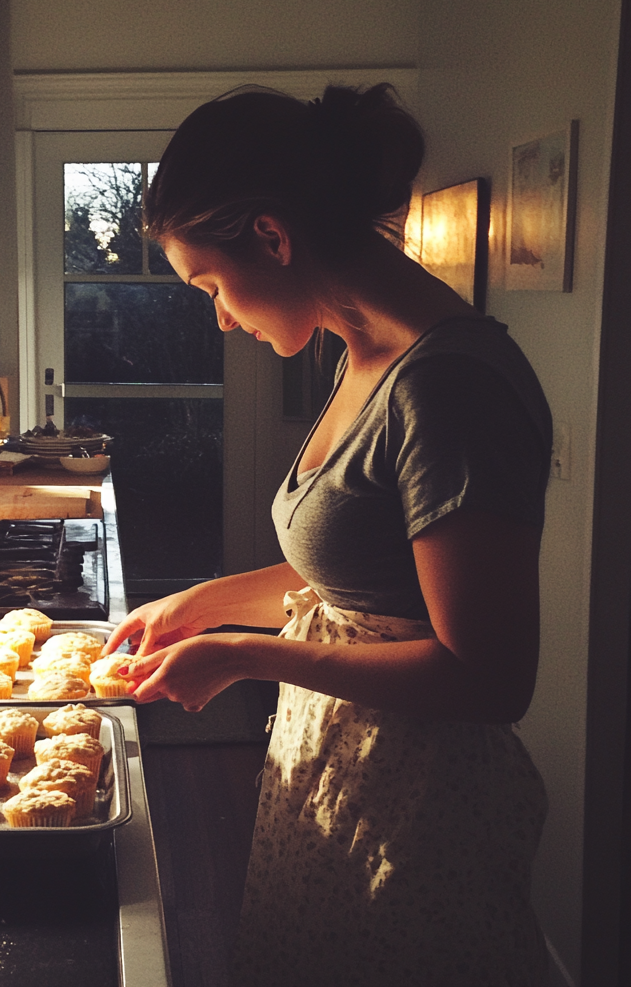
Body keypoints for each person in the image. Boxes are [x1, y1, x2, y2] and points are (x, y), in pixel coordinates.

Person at [104, 84, 552, 987]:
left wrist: (246, 657)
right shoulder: (362, 359)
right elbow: (361, 588)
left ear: (272, 236)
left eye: (212, 286)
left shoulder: (449, 387)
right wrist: (200, 607)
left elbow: (492, 677)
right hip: (348, 773)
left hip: (423, 808)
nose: (220, 317)